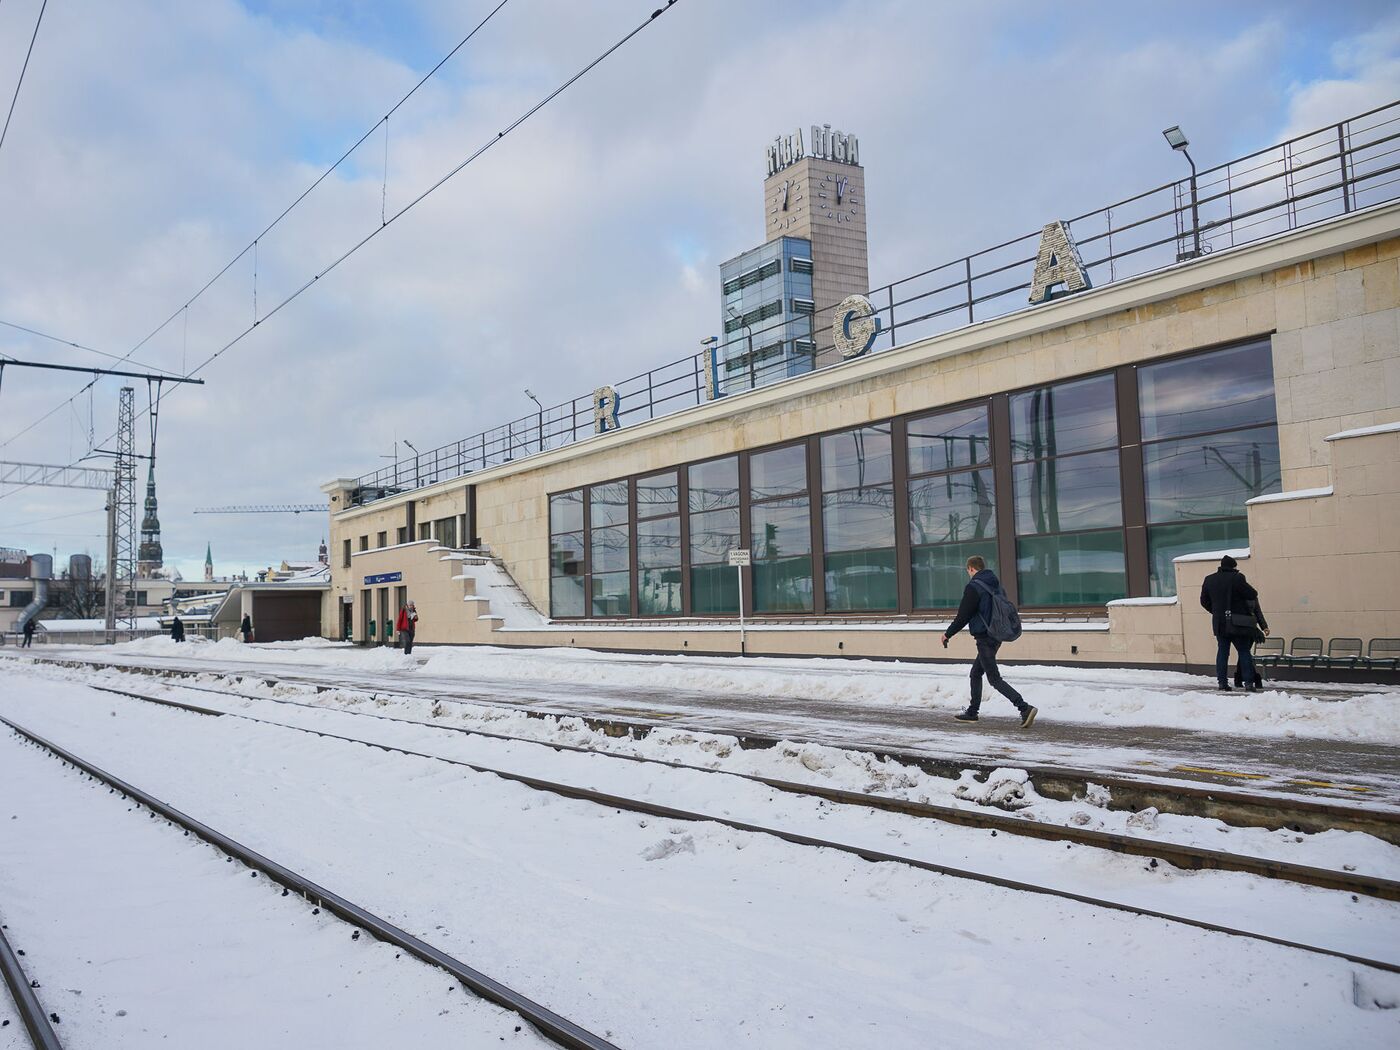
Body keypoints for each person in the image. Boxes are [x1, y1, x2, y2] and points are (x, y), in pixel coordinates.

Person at [941, 555, 1038, 728]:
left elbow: (963, 615)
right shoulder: (995, 584)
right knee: (976, 673)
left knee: (994, 678)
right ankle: (972, 712)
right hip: (996, 635)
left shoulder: (974, 587)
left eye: (968, 571)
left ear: (971, 569)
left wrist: (948, 634)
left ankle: (1024, 708)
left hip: (985, 638)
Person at [1199, 554, 1265, 692]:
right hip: (1237, 623)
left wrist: (1216, 612)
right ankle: (1248, 683)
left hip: (1219, 623)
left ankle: (1222, 683)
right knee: (1243, 651)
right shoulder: (1237, 578)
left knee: (1222, 652)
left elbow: (1204, 601)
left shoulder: (1209, 579)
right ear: (1233, 566)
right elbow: (1252, 594)